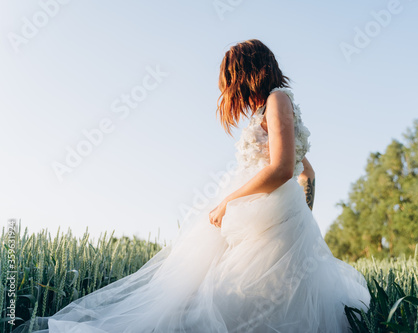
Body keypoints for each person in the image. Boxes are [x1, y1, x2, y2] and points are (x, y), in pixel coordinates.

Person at [13, 39, 370, 333]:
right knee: (240, 293)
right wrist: (301, 212)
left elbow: (279, 169)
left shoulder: (278, 100)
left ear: (246, 71)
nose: (232, 90)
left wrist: (229, 201)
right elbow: (305, 172)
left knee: (229, 293)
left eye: (232, 78)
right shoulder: (275, 105)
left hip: (266, 214)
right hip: (277, 214)